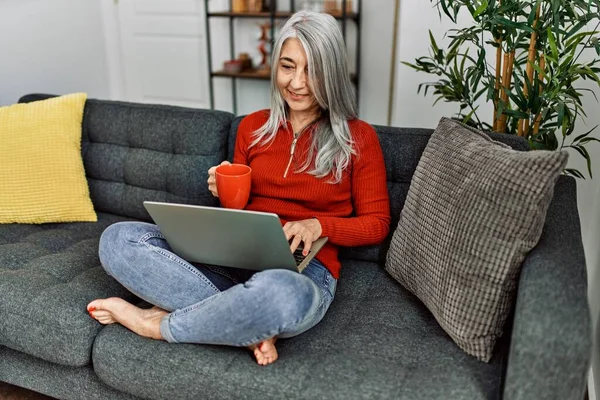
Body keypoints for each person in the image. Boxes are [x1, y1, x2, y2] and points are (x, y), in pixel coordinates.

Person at [87, 10, 390, 366]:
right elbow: (238, 211)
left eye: (313, 70)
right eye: (288, 66)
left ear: (333, 73)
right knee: (118, 240)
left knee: (279, 296)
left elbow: (377, 224)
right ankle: (244, 324)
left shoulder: (359, 138)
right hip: (231, 261)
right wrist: (225, 190)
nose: (297, 82)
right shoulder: (252, 127)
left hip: (303, 272)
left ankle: (157, 323)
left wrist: (319, 225)